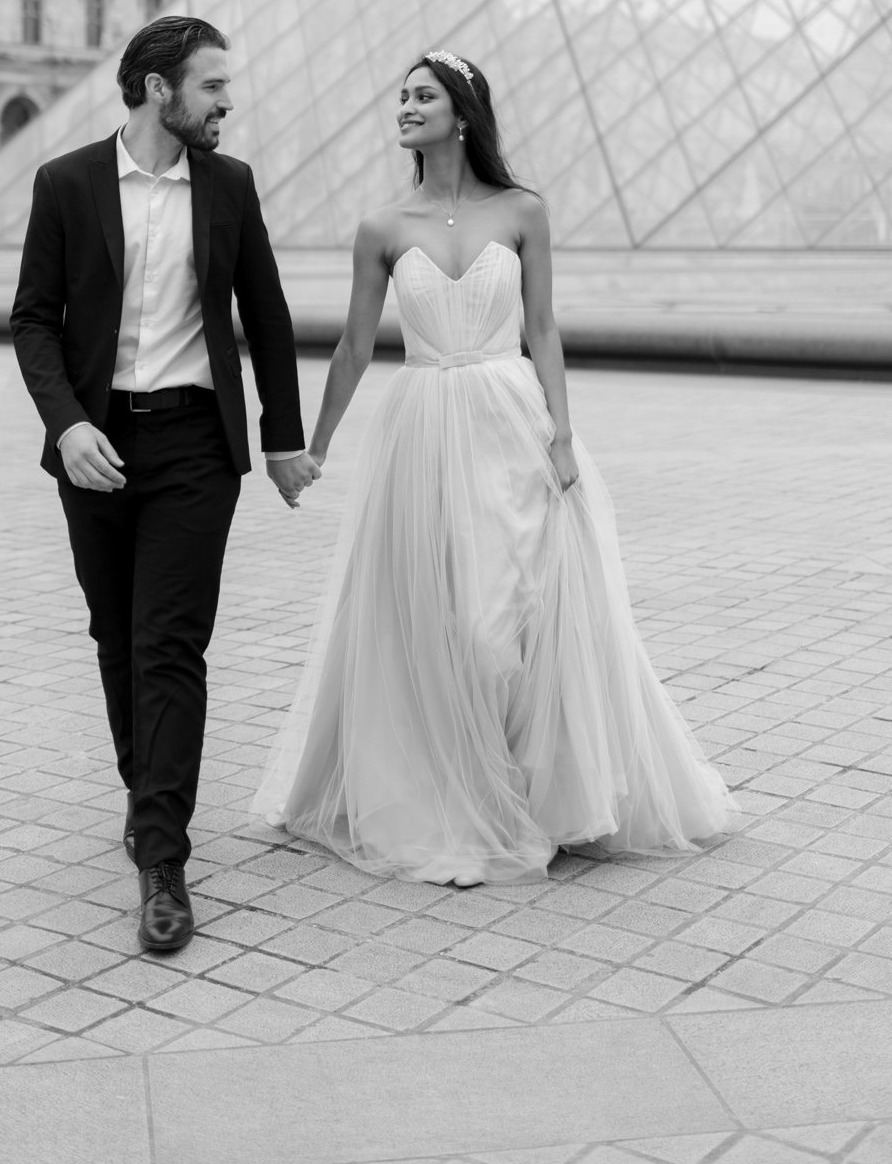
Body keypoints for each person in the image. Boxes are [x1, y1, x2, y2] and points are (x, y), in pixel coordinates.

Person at [254, 49, 735, 884]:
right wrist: (316, 446)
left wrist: (561, 433)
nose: (404, 106)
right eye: (401, 95)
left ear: (463, 113)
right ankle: (458, 797)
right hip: (423, 427)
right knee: (442, 618)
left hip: (512, 421)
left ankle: (537, 795)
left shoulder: (523, 211)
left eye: (423, 95)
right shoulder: (381, 226)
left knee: (513, 619)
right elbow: (354, 346)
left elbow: (541, 326)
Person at [11, 15, 320, 952]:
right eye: (213, 86)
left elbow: (265, 318)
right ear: (158, 88)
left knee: (169, 645)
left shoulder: (229, 186)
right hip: (96, 446)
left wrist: (281, 441)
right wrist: (65, 426)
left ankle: (162, 855)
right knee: (116, 635)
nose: (228, 102)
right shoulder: (65, 183)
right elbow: (34, 320)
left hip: (193, 445)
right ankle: (145, 798)